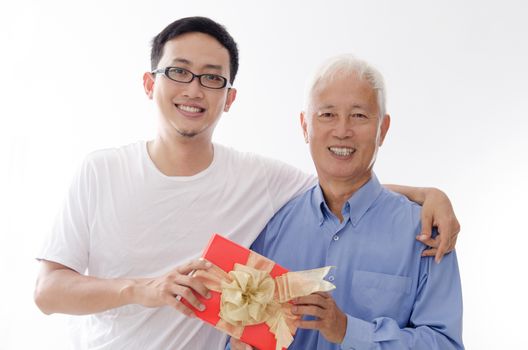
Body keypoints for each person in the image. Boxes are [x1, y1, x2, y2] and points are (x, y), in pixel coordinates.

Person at [34, 17, 460, 350]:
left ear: (229, 97)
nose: (194, 89)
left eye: (212, 77)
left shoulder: (262, 186)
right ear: (150, 83)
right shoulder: (100, 171)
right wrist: (143, 289)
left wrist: (430, 195)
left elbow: (341, 181)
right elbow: (47, 292)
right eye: (179, 72)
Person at [230, 55, 463, 350]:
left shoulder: (426, 232)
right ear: (305, 126)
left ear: (383, 129)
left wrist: (348, 330)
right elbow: (237, 326)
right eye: (327, 115)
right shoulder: (268, 222)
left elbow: (444, 344)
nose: (342, 130)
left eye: (359, 116)